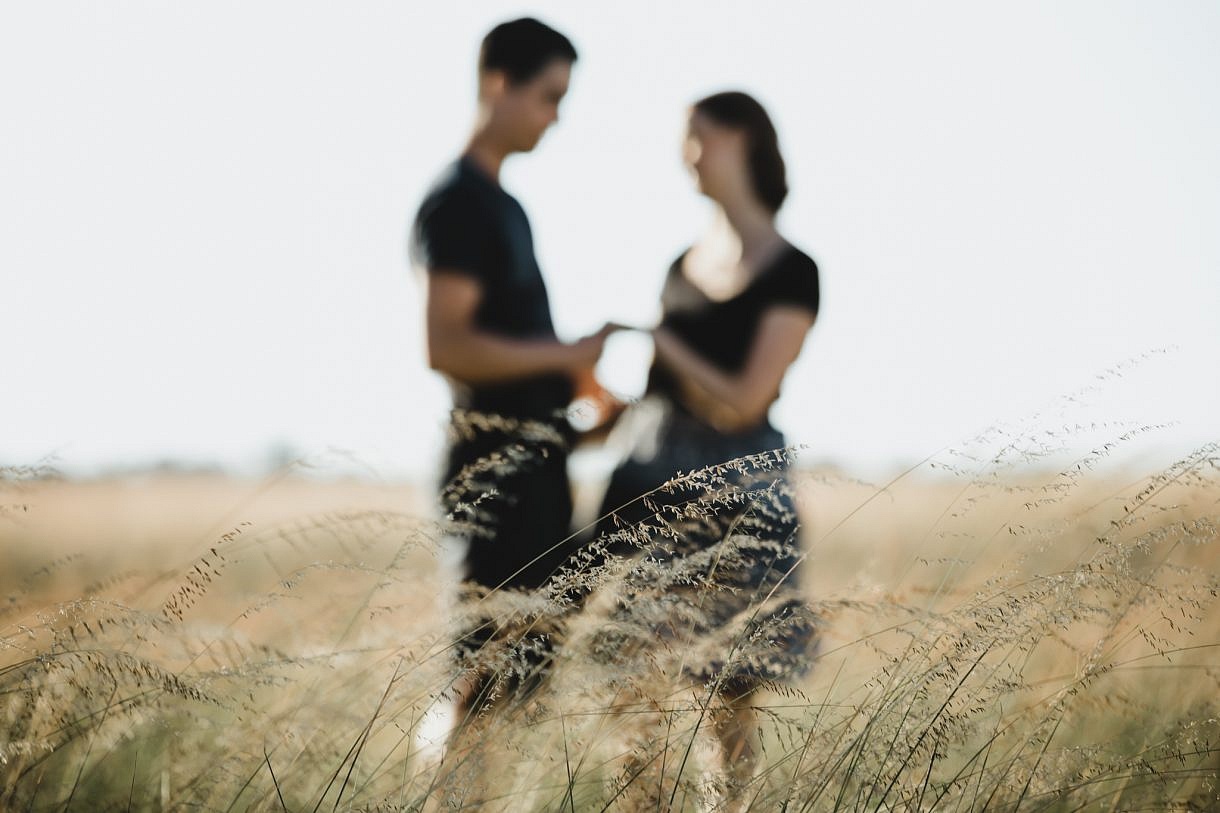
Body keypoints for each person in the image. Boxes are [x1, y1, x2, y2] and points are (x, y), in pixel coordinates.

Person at [588, 90, 820, 803]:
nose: (686, 152)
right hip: (648, 480)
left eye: (698, 136)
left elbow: (745, 399)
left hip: (738, 493)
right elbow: (663, 395)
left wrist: (662, 340)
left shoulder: (792, 270)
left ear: (742, 140)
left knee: (730, 695)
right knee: (633, 688)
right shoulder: (679, 262)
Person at [408, 15, 616, 785]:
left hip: (534, 474)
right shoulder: (459, 201)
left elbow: (516, 358)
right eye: (548, 96)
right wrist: (570, 353)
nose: (556, 116)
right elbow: (448, 346)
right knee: (479, 679)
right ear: (498, 83)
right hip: (490, 483)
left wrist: (584, 408)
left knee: (513, 683)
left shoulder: (506, 205)